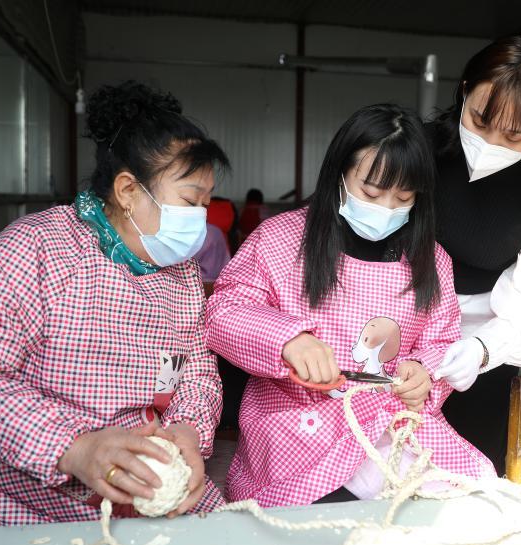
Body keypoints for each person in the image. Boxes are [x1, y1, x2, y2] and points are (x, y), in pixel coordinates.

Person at [0, 81, 230, 528]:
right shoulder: (36, 246)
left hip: (140, 484)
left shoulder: (183, 273)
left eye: (207, 204)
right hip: (14, 496)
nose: (201, 220)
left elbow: (196, 367)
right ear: (128, 190)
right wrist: (75, 448)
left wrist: (188, 430)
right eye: (190, 201)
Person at [205, 104, 495, 507]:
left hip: (394, 424)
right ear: (339, 174)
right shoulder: (280, 239)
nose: (386, 210)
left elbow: (441, 340)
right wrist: (288, 341)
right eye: (371, 193)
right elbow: (223, 312)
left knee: (469, 506)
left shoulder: (430, 259)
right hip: (298, 424)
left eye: (403, 198)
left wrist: (425, 376)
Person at [428, 33, 521, 474]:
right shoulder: (417, 153)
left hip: (479, 355)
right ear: (463, 90)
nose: (490, 142)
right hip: (388, 338)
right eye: (478, 120)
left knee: (466, 483)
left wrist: (480, 348)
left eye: (514, 136)